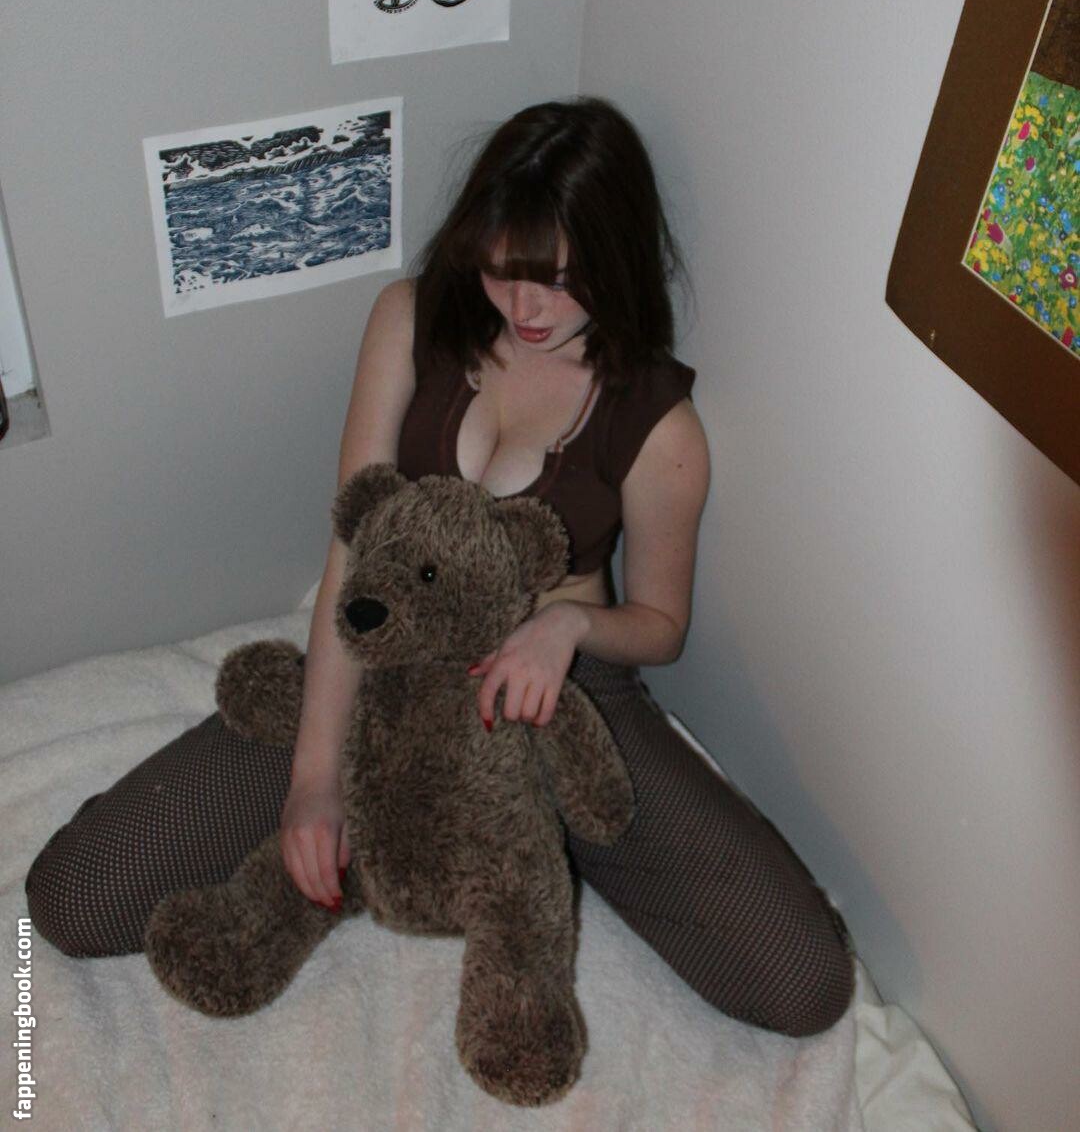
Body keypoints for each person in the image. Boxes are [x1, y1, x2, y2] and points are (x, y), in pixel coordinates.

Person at [24, 97, 853, 1037]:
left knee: (802, 983)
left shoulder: (660, 426)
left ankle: (525, 839)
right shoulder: (410, 320)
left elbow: (661, 625)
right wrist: (315, 777)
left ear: (617, 257)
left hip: (558, 696)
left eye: (559, 281)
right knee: (74, 898)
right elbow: (352, 546)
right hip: (390, 667)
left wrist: (570, 623)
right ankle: (401, 837)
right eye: (503, 270)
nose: (526, 309)